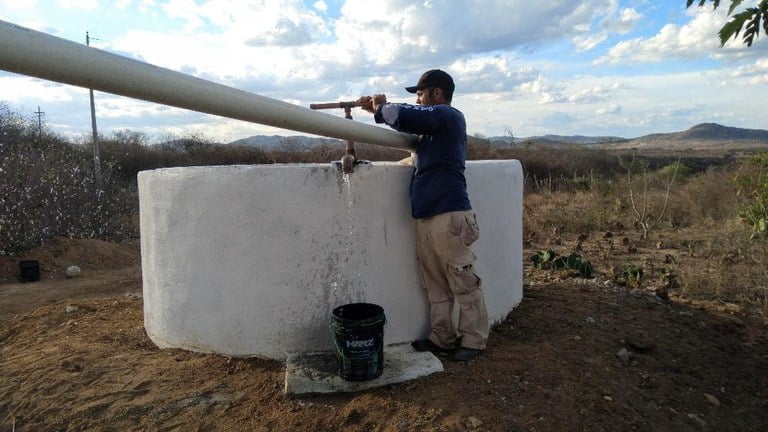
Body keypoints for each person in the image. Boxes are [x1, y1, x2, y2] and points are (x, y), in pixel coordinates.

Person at [357, 69, 489, 362]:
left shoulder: (448, 117)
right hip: (429, 215)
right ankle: (442, 337)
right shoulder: (432, 131)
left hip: (450, 214)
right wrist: (380, 112)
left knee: (462, 280)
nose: (417, 100)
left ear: (437, 93)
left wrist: (381, 106)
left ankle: (475, 341)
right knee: (435, 281)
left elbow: (407, 116)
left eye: (420, 93)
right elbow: (409, 122)